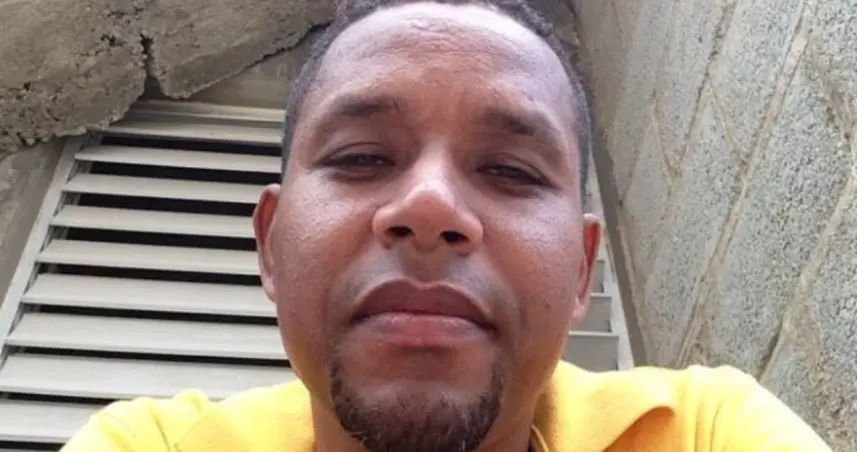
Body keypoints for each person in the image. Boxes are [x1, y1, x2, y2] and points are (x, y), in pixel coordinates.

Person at [62, 1, 831, 451]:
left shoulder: (701, 431)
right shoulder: (151, 445)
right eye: (362, 157)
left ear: (580, 271)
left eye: (511, 171)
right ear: (271, 244)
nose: (428, 208)